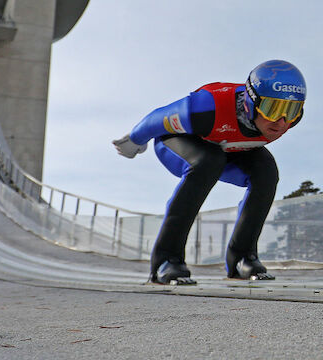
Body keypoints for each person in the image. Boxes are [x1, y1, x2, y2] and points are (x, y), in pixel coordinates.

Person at [113, 60, 306, 285]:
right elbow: (159, 117)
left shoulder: (289, 121)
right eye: (272, 109)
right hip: (177, 142)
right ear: (251, 102)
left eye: (291, 110)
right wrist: (135, 140)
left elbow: (264, 132)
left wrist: (280, 114)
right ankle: (167, 260)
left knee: (266, 170)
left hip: (226, 145)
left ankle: (242, 258)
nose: (282, 122)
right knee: (208, 161)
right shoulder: (207, 108)